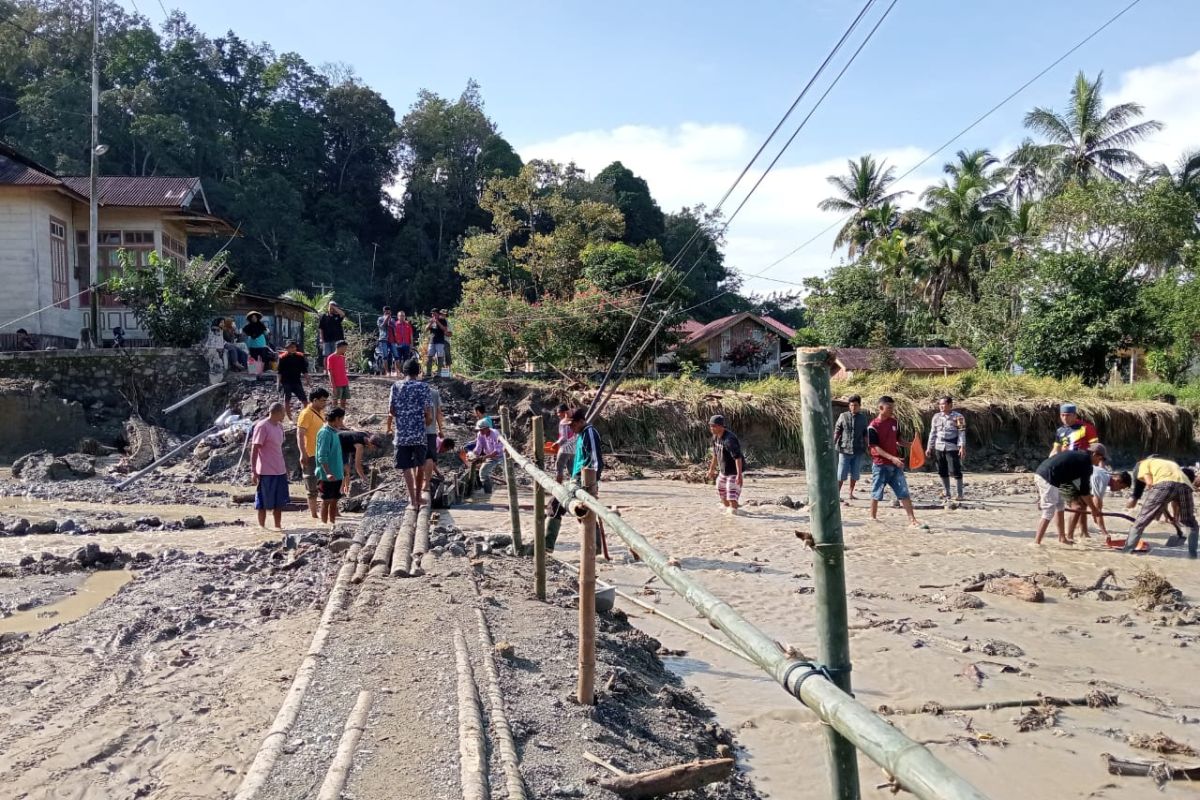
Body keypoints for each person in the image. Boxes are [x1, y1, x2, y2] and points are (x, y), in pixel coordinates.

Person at [1032, 443, 1110, 545]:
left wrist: (1092, 508)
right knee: (1049, 510)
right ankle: (1036, 543)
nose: (1100, 462)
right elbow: (1084, 492)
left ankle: (1062, 538)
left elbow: (1082, 490)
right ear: (1094, 454)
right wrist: (1094, 509)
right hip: (1047, 477)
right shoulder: (1086, 463)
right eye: (1100, 459)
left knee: (1060, 506)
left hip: (1048, 475)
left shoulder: (1080, 456)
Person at [1123, 457, 1199, 557]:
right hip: (1185, 486)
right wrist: (1174, 516)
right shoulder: (1169, 463)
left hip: (1164, 485)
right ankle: (1193, 555)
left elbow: (1150, 483)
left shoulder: (1143, 464)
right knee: (1190, 522)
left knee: (1141, 520)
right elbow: (1175, 491)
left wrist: (1155, 502)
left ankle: (1126, 552)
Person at [387, 358, 434, 509]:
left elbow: (391, 411)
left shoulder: (396, 386)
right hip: (419, 433)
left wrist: (403, 416)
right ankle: (419, 496)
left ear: (403, 371)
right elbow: (429, 413)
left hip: (402, 434)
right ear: (418, 371)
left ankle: (412, 500)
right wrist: (424, 422)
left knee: (406, 467)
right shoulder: (423, 387)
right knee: (420, 465)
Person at [867, 396, 920, 527]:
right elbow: (875, 447)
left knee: (904, 492)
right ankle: (872, 519)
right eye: (889, 408)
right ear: (880, 408)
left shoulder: (894, 422)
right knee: (876, 493)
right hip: (880, 465)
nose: (892, 410)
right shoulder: (872, 427)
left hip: (895, 465)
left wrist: (911, 445)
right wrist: (893, 458)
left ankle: (912, 520)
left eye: (892, 408)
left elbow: (898, 440)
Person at [250, 402, 290, 529]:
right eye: (283, 413)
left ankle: (278, 527)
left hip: (280, 470)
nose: (285, 415)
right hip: (266, 471)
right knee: (262, 502)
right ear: (276, 412)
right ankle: (262, 528)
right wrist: (253, 470)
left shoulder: (279, 427)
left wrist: (285, 467)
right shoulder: (262, 426)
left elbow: (278, 449)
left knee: (279, 503)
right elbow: (255, 448)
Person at [926, 395, 967, 502]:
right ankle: (947, 492)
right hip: (939, 446)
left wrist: (962, 446)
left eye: (943, 404)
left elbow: (961, 433)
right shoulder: (936, 417)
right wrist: (929, 447)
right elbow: (933, 432)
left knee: (955, 470)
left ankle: (959, 494)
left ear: (950, 405)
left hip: (952, 447)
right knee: (941, 470)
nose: (941, 406)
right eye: (940, 404)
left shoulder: (959, 417)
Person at [296, 388, 329, 519]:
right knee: (311, 486)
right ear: (314, 400)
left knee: (325, 484)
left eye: (325, 401)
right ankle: (314, 515)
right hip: (310, 454)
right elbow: (300, 435)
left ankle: (324, 512)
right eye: (322, 401)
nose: (324, 403)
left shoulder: (320, 412)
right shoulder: (306, 414)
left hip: (321, 454)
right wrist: (302, 453)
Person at [833, 394, 869, 502]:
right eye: (852, 405)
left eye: (856, 405)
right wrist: (833, 442)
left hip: (858, 450)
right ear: (849, 405)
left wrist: (869, 447)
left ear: (859, 406)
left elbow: (865, 434)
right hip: (844, 449)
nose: (853, 407)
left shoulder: (863, 418)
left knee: (855, 473)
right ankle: (837, 494)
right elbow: (837, 431)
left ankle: (850, 493)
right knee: (841, 474)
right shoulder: (843, 416)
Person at [706, 414, 745, 515]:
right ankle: (728, 512)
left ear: (721, 426)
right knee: (722, 493)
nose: (711, 428)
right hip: (723, 472)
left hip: (733, 472)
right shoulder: (715, 437)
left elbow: (738, 457)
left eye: (714, 426)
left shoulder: (729, 440)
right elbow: (715, 454)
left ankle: (734, 513)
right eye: (710, 426)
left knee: (731, 497)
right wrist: (711, 470)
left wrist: (739, 475)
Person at [315, 407, 346, 525]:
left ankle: (332, 524)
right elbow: (322, 455)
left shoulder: (334, 432)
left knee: (334, 501)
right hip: (326, 474)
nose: (342, 422)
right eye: (341, 420)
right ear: (337, 419)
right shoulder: (325, 433)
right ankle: (323, 525)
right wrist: (327, 472)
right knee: (326, 501)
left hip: (337, 473)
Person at [469, 418, 505, 494]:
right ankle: (488, 492)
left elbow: (497, 451)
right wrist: (473, 455)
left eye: (482, 429)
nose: (480, 431)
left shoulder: (495, 434)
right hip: (490, 456)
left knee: (508, 474)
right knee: (483, 473)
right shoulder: (480, 434)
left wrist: (484, 457)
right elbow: (478, 447)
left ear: (487, 428)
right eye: (479, 430)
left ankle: (509, 490)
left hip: (501, 456)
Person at [276, 340, 309, 420]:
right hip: (286, 381)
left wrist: (308, 380)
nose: (292, 349)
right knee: (287, 399)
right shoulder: (282, 357)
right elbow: (279, 372)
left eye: (294, 347)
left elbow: (304, 370)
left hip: (296, 381)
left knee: (304, 400)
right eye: (290, 347)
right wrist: (278, 384)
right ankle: (289, 417)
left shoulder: (300, 356)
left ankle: (303, 416)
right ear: (287, 348)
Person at [423, 373, 447, 485]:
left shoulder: (416, 392)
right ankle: (426, 483)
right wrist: (441, 429)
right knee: (429, 457)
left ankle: (419, 481)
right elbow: (438, 413)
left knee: (418, 456)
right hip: (430, 431)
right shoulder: (435, 393)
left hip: (415, 431)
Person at [316, 302, 346, 372]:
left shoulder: (338, 316)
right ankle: (327, 370)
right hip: (327, 339)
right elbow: (321, 329)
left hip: (337, 339)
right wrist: (321, 339)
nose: (331, 308)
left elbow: (343, 314)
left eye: (333, 306)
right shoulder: (324, 316)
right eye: (330, 306)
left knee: (337, 355)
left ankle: (337, 370)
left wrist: (334, 307)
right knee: (326, 355)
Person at [553, 403, 576, 482]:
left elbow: (564, 437)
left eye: (559, 413)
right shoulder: (575, 418)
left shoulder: (563, 422)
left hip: (565, 448)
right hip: (574, 448)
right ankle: (576, 485)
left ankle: (557, 488)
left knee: (559, 467)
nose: (558, 415)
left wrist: (556, 443)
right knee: (571, 468)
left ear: (564, 412)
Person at [326, 340, 350, 410]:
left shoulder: (343, 357)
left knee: (343, 401)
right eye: (345, 348)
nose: (345, 350)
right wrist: (333, 385)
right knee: (335, 400)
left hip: (345, 382)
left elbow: (343, 370)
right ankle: (334, 413)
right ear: (340, 347)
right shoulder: (331, 357)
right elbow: (330, 372)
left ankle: (342, 414)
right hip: (336, 383)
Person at [426, 309, 449, 376]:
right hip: (432, 341)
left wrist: (437, 322)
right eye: (432, 314)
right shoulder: (431, 320)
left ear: (438, 314)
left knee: (440, 356)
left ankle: (439, 373)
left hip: (440, 341)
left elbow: (445, 329)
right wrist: (430, 323)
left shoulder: (443, 320)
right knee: (429, 356)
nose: (433, 315)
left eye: (434, 314)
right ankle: (428, 373)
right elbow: (426, 329)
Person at [376, 306, 395, 375]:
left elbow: (394, 328)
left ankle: (395, 371)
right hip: (383, 339)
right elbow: (382, 326)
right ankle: (387, 371)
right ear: (384, 312)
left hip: (392, 340)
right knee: (385, 356)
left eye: (389, 312)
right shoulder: (380, 319)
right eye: (386, 312)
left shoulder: (392, 320)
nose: (388, 313)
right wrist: (386, 319)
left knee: (395, 356)